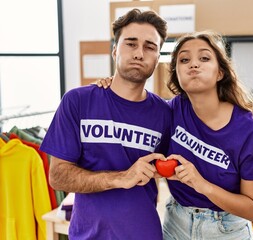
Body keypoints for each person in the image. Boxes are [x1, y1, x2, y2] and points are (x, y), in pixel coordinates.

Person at [97, 30, 253, 240]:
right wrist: (111, 86)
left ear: (220, 73)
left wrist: (202, 185)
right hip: (176, 224)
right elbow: (133, 106)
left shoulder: (251, 131)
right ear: (177, 75)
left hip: (227, 230)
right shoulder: (171, 111)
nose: (193, 64)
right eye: (184, 59)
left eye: (204, 58)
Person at [40, 9, 171, 239]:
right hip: (88, 234)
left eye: (150, 47)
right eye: (131, 43)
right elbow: (58, 176)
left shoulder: (165, 112)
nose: (139, 53)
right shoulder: (78, 101)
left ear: (157, 57)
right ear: (114, 50)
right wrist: (122, 177)